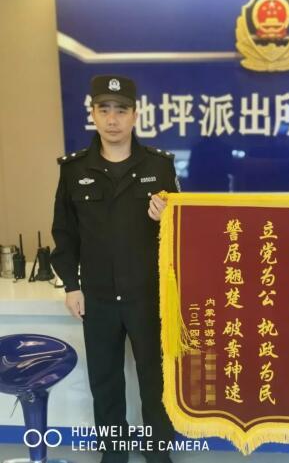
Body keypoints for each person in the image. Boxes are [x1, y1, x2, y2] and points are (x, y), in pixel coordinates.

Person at [51, 75, 177, 463]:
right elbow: (64, 233)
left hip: (148, 294)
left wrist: (168, 218)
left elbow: (183, 233)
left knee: (156, 379)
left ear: (135, 115)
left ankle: (158, 451)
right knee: (105, 381)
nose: (112, 119)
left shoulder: (159, 166)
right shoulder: (74, 169)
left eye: (121, 110)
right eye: (103, 109)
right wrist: (71, 285)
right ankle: (114, 453)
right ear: (92, 114)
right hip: (99, 297)